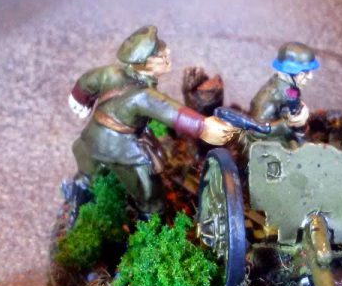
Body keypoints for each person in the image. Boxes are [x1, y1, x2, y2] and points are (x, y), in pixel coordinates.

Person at [68, 25, 238, 218]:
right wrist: (203, 126)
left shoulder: (110, 72)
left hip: (91, 137)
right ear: (147, 64)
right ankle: (151, 223)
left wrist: (79, 99)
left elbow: (87, 81)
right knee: (149, 192)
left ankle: (77, 202)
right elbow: (171, 111)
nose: (168, 54)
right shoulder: (143, 95)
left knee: (86, 176)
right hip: (123, 148)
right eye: (162, 55)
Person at [249, 41, 319, 145]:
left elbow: (292, 104)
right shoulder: (270, 96)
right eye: (304, 73)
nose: (310, 76)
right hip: (269, 143)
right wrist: (288, 124)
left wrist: (300, 112)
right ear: (286, 74)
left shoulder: (289, 89)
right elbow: (255, 131)